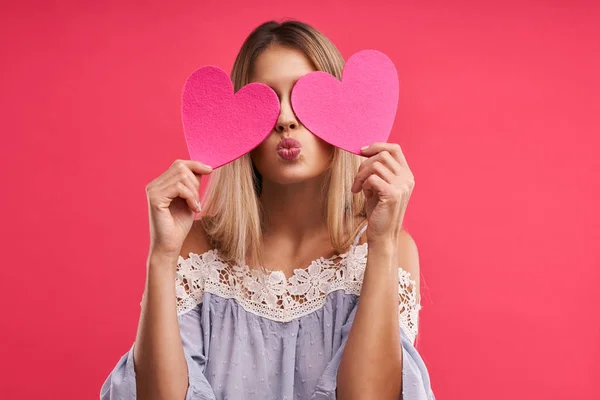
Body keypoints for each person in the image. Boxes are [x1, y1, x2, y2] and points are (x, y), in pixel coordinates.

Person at [100, 19, 435, 400]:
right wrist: (161, 256)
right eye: (268, 102)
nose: (286, 119)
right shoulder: (195, 250)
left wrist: (384, 242)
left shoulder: (388, 248)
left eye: (306, 99)